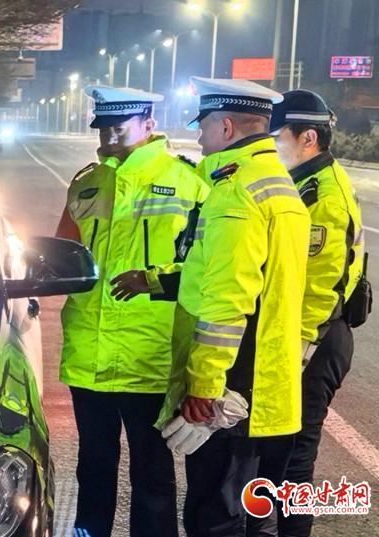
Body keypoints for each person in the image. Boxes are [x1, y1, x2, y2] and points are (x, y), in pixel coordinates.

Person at [111, 77, 311, 537]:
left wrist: (204, 387)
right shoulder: (276, 183)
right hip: (264, 381)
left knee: (214, 517)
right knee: (250, 514)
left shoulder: (235, 193)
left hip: (231, 390)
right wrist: (154, 280)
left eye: (202, 127)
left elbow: (227, 298)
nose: (199, 138)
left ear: (225, 128)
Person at [56, 85, 208, 537]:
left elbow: (205, 265)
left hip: (150, 352)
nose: (109, 136)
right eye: (102, 128)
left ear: (148, 124)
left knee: (153, 474)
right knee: (92, 466)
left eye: (119, 127)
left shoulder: (188, 181)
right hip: (89, 351)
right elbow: (63, 255)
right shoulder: (86, 182)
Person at [250, 89, 366, 537]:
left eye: (277, 136)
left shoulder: (324, 197)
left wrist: (296, 348)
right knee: (274, 455)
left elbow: (319, 286)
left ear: (308, 138)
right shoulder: (304, 181)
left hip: (316, 340)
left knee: (295, 461)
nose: (271, 145)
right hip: (306, 335)